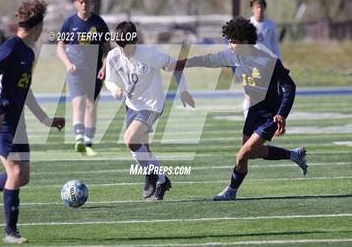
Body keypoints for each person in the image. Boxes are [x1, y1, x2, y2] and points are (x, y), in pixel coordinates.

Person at [174, 17, 307, 201]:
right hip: (253, 112)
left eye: (233, 41)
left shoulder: (267, 60)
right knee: (251, 154)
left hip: (270, 113)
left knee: (242, 154)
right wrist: (183, 63)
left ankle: (231, 191)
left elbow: (289, 87)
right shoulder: (232, 56)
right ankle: (294, 155)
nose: (230, 45)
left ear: (245, 41)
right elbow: (208, 59)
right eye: (228, 41)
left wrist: (281, 114)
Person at [0, 0, 65, 243]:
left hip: (16, 122)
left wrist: (45, 119)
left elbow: (25, 90)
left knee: (22, 177)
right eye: (42, 27)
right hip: (0, 122)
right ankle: (10, 232)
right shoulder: (11, 47)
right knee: (14, 172)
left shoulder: (27, 51)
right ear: (36, 26)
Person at [105, 21, 195, 200]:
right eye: (119, 46)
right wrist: (114, 89)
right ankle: (160, 179)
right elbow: (109, 80)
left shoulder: (149, 54)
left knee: (130, 140)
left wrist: (183, 90)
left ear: (135, 40)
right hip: (132, 106)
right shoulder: (113, 56)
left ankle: (154, 175)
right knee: (141, 148)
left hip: (152, 105)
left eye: (126, 46)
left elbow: (176, 65)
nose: (122, 50)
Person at [57, 0, 110, 156]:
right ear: (75, 3)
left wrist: (104, 67)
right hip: (75, 71)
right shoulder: (69, 23)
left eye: (87, 1)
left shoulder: (99, 23)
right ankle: (79, 139)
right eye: (80, 1)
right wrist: (68, 64)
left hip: (94, 72)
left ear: (92, 3)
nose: (84, 4)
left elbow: (107, 50)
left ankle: (88, 142)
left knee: (91, 106)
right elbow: (60, 47)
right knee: (77, 103)